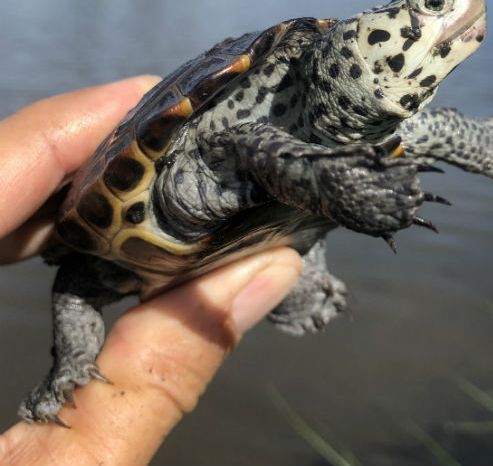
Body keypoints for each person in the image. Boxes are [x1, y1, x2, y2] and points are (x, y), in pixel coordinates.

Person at [0, 77, 302, 466]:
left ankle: (306, 284)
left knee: (302, 239)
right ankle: (73, 362)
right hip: (134, 237)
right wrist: (72, 360)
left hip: (271, 225)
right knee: (77, 286)